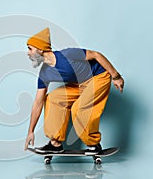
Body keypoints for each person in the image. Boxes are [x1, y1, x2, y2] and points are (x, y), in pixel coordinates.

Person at [24, 27, 124, 155]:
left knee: (79, 108)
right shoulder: (45, 73)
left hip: (98, 77)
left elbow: (96, 55)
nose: (28, 53)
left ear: (40, 49)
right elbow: (38, 102)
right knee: (53, 98)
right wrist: (30, 131)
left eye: (30, 49)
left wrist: (116, 76)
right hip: (79, 84)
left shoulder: (68, 54)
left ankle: (93, 144)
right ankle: (55, 144)